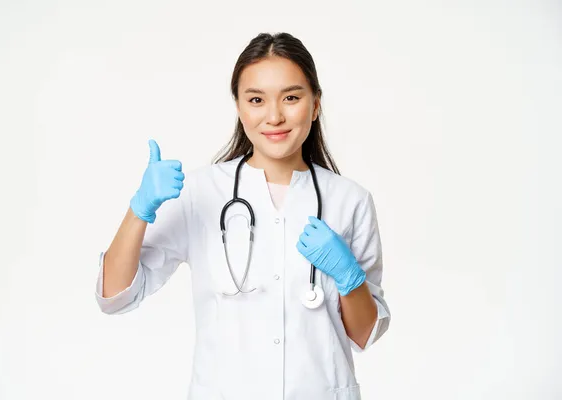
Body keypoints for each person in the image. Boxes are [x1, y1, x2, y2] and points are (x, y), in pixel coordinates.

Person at [95, 32, 391, 400]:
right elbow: (115, 296)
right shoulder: (202, 193)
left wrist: (349, 278)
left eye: (292, 98)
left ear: (315, 105)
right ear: (239, 107)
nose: (274, 116)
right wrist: (139, 209)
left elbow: (364, 334)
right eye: (256, 100)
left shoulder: (350, 201)